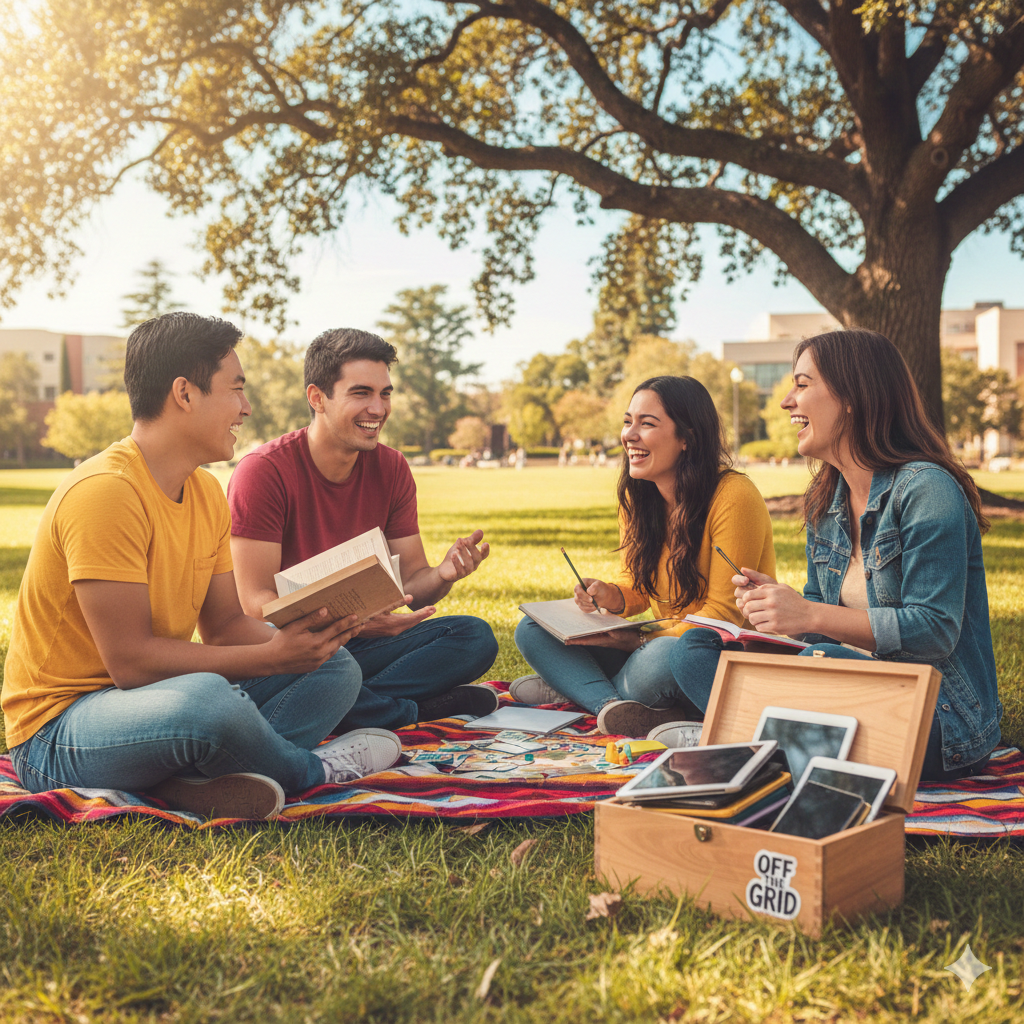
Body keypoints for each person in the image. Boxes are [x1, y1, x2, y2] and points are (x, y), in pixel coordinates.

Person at [1, 313, 403, 820]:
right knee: (207, 701)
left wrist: (309, 632)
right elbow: (130, 662)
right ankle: (309, 771)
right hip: (58, 732)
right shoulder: (105, 492)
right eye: (235, 389)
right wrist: (274, 658)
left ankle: (193, 782)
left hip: (147, 702)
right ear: (185, 394)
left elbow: (226, 626)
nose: (246, 407)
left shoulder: (206, 491)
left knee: (336, 667)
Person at [671, 329, 1002, 782]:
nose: (788, 401)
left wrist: (810, 615)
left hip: (938, 718)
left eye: (802, 385)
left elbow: (934, 631)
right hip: (840, 685)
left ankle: (753, 736)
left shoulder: (927, 490)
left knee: (818, 665)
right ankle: (777, 739)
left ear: (852, 396)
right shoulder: (826, 500)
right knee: (693, 648)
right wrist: (780, 616)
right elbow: (815, 628)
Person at [227, 328, 500, 732]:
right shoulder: (263, 472)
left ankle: (348, 705)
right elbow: (254, 604)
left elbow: (412, 583)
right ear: (317, 397)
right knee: (335, 669)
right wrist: (352, 623)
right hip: (293, 650)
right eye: (361, 393)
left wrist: (443, 574)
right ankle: (409, 711)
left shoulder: (391, 468)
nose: (378, 408)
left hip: (363, 647)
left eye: (385, 393)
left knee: (473, 637)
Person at [513, 375, 775, 735]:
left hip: (706, 652)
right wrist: (610, 594)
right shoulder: (639, 497)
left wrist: (639, 640)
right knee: (532, 629)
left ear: (687, 438)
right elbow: (637, 585)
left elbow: (722, 617)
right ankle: (613, 704)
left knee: (661, 657)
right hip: (652, 639)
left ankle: (581, 691)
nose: (629, 435)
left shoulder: (733, 495)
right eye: (627, 421)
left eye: (647, 424)